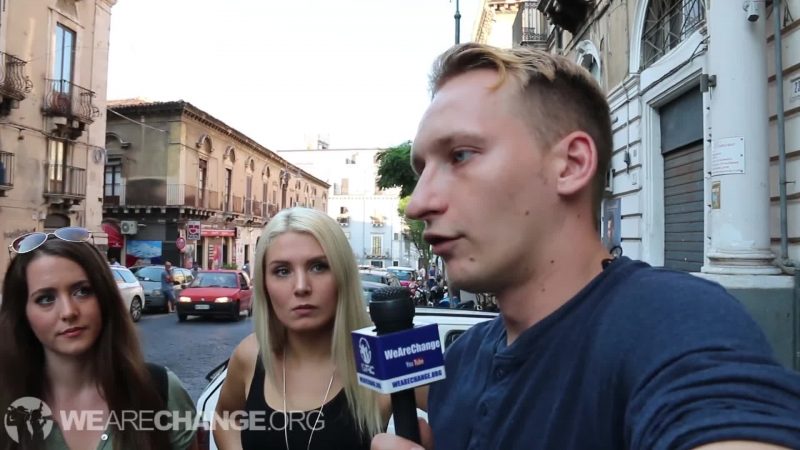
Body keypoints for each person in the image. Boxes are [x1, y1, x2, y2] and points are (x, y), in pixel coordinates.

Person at [372, 43, 800, 450]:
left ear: (572, 164)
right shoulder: (463, 359)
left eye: (461, 156)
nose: (420, 203)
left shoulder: (674, 324)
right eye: (422, 170)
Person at [214, 207, 410, 449]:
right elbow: (225, 417)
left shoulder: (388, 357)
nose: (301, 286)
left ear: (343, 275)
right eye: (282, 271)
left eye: (318, 267)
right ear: (264, 284)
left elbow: (454, 413)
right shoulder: (250, 355)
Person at [0, 227, 197, 450]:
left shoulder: (160, 390)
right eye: (45, 299)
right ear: (22, 312)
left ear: (105, 297)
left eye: (82, 291)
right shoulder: (6, 399)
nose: (68, 312)